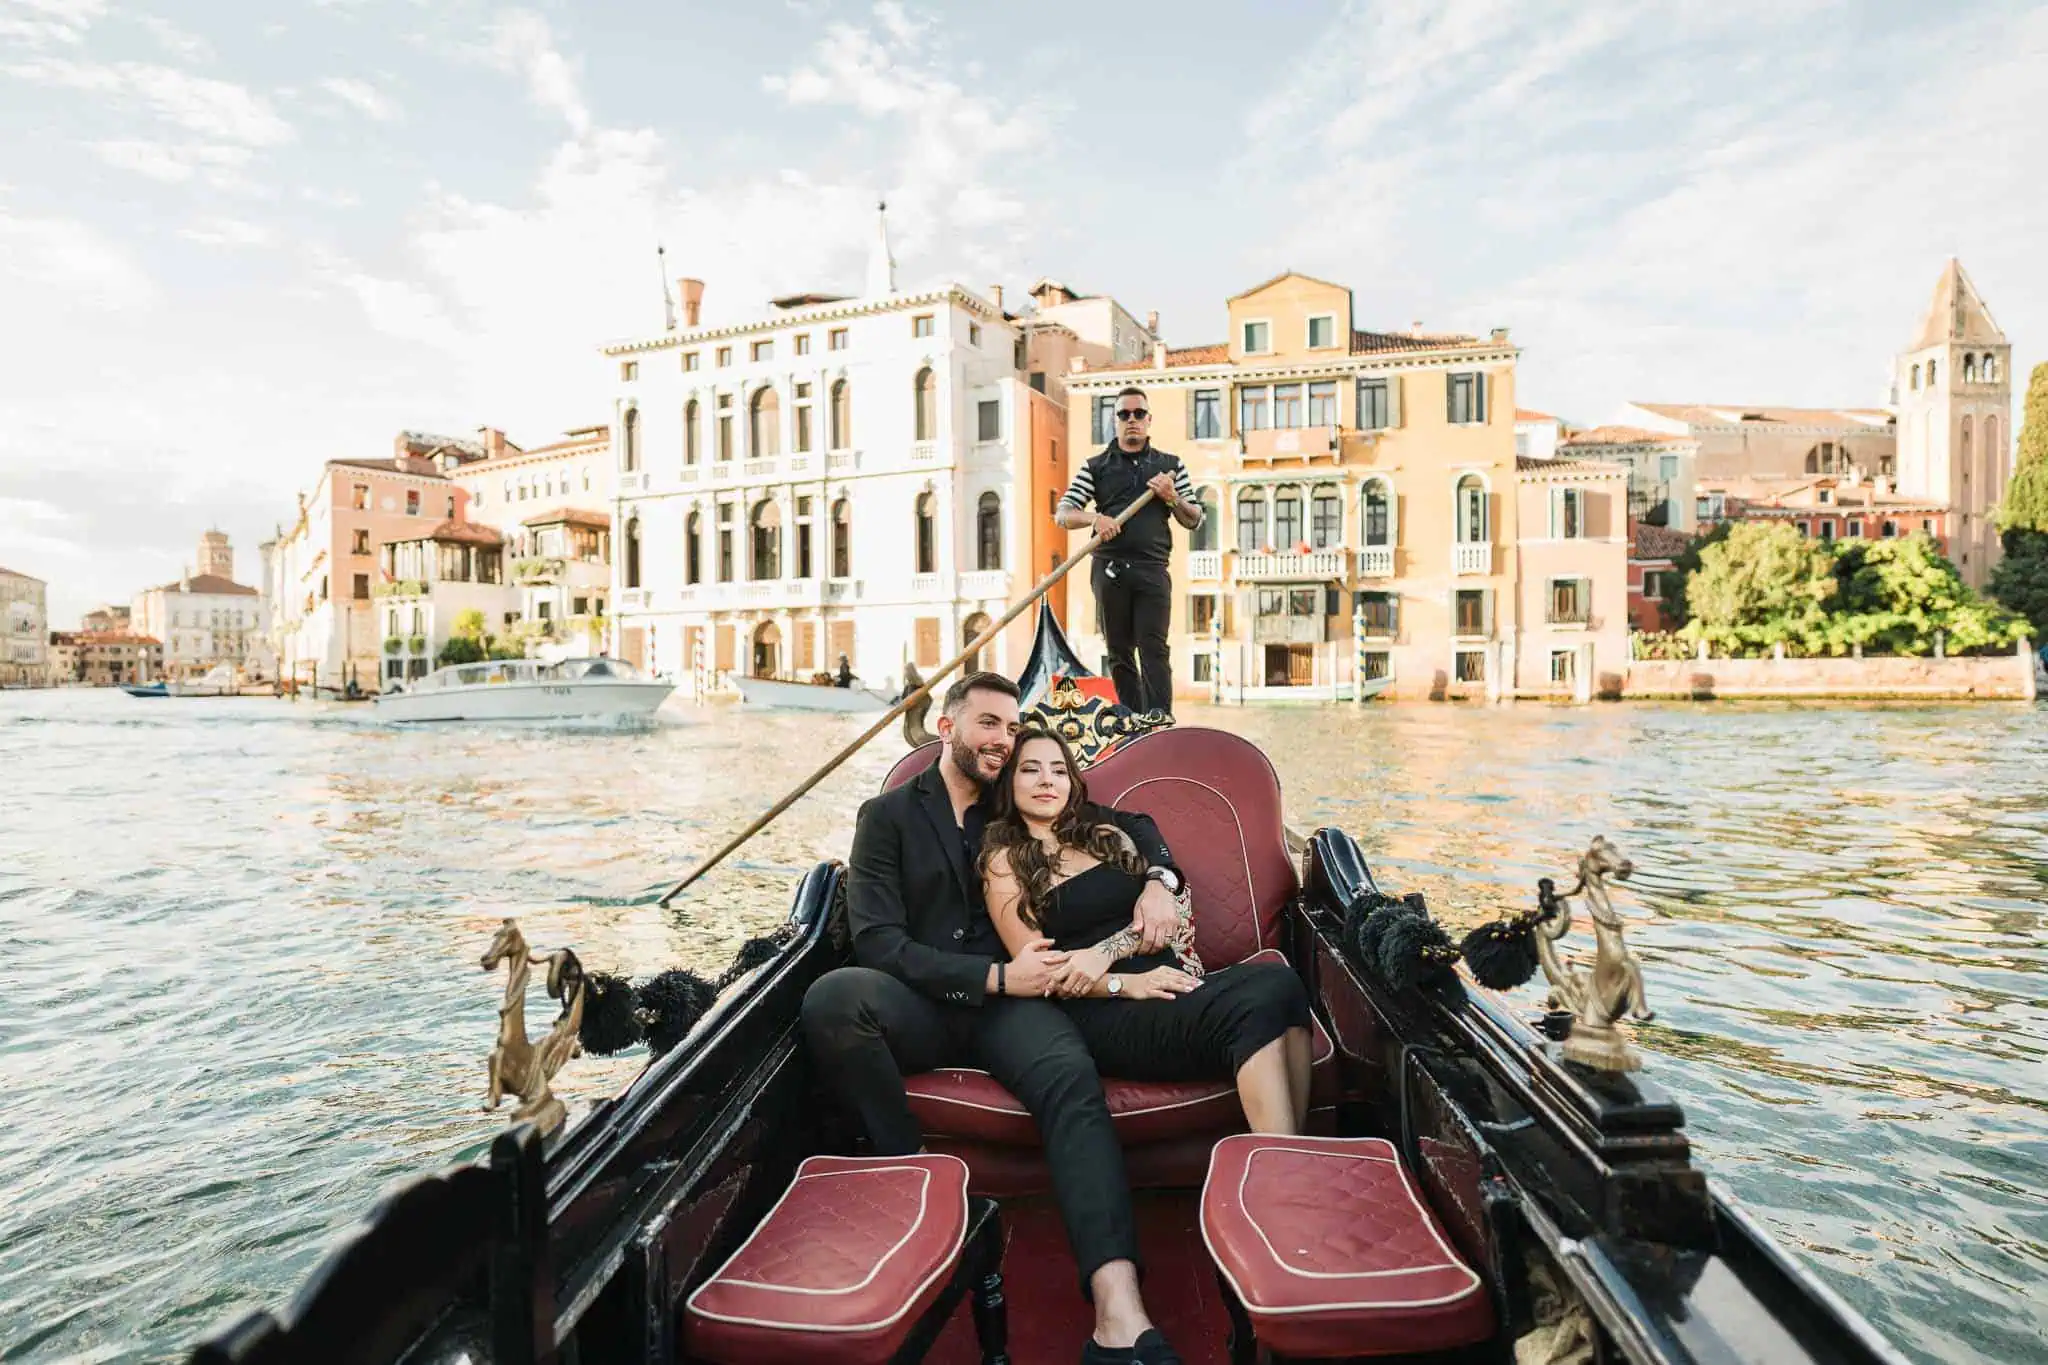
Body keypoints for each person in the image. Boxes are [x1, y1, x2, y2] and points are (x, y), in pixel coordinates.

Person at [801, 672, 1190, 1365]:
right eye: (988, 724)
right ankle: (911, 1183)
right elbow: (879, 942)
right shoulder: (885, 816)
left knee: (1070, 1079)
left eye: (1011, 728)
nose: (1002, 741)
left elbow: (1132, 826)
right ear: (945, 728)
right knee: (833, 997)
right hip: (926, 1002)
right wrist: (992, 973)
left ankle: (1119, 1311)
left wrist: (1160, 879)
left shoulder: (1015, 804)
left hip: (1014, 1006)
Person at [980, 728, 1312, 1134]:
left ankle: (1297, 1155)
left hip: (1166, 980)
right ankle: (1278, 1162)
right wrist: (1125, 983)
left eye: (1059, 770)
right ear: (1009, 782)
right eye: (1031, 770)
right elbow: (1041, 971)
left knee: (1282, 983)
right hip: (1104, 1008)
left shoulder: (1100, 833)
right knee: (1253, 1004)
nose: (1048, 780)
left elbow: (1144, 826)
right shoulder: (1004, 863)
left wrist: (1158, 883)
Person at [1055, 385, 1203, 716]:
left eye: (1138, 414)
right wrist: (1095, 518)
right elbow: (1063, 514)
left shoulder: (1170, 467)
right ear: (1115, 421)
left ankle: (1159, 721)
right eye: (1124, 414)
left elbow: (1194, 519)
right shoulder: (1095, 466)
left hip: (1152, 570)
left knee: (1154, 648)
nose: (1131, 420)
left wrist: (1171, 496)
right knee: (1119, 651)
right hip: (1110, 570)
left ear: (1149, 420)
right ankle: (1132, 722)